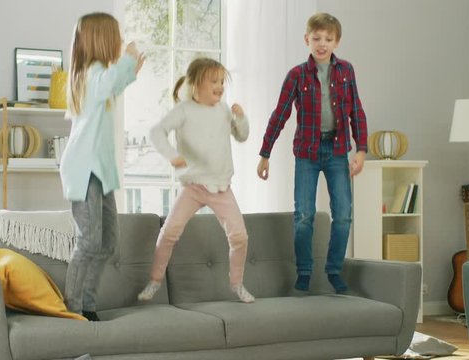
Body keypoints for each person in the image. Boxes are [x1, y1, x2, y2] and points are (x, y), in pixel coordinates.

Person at [256, 13, 368, 293]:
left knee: (343, 214)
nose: (322, 44)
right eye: (316, 38)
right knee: (304, 215)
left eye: (328, 39)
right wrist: (264, 153)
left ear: (336, 41)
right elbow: (279, 114)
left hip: (337, 150)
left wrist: (362, 149)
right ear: (307, 39)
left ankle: (333, 270)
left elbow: (356, 110)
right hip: (307, 152)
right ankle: (304, 271)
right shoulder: (297, 75)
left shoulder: (346, 71)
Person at [137, 57, 255, 304]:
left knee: (240, 237)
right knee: (169, 232)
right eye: (214, 81)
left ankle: (237, 284)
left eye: (222, 81)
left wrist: (241, 118)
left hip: (221, 188)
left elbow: (242, 136)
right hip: (193, 188)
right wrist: (172, 155)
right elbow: (156, 132)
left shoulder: (223, 109)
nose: (220, 86)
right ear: (195, 84)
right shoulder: (184, 110)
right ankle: (155, 281)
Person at [60, 12, 145, 321]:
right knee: (89, 240)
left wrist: (129, 70)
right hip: (84, 170)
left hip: (99, 171)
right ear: (102, 41)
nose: (121, 42)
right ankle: (75, 307)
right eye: (117, 38)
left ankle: (87, 303)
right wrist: (127, 61)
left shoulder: (97, 79)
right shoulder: (90, 74)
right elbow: (107, 83)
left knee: (108, 242)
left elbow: (110, 88)